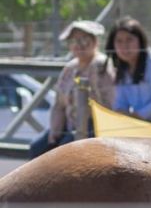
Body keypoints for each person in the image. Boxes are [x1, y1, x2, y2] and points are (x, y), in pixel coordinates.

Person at [29, 20, 115, 159]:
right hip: (68, 125)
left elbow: (106, 103)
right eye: (74, 41)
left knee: (62, 155)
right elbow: (59, 104)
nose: (79, 45)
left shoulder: (101, 64)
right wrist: (55, 130)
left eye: (84, 40)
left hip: (93, 127)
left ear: (95, 42)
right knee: (36, 148)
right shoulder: (70, 68)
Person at [106, 16, 151, 123]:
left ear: (141, 41)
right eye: (119, 41)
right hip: (137, 125)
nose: (124, 46)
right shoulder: (121, 69)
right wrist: (121, 114)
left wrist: (135, 116)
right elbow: (120, 104)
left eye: (129, 39)